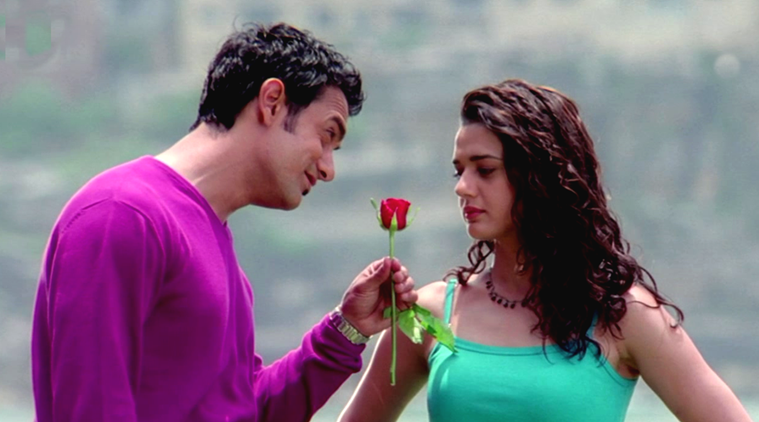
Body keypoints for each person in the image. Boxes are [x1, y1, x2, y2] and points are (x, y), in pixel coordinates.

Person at [31, 22, 418, 422]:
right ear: (272, 101)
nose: (328, 168)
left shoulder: (214, 244)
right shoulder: (123, 214)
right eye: (326, 135)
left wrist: (347, 328)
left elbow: (246, 409)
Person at [339, 79, 752, 422]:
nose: (462, 187)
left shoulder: (623, 315)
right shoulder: (425, 315)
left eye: (485, 169)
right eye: (459, 170)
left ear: (540, 175)